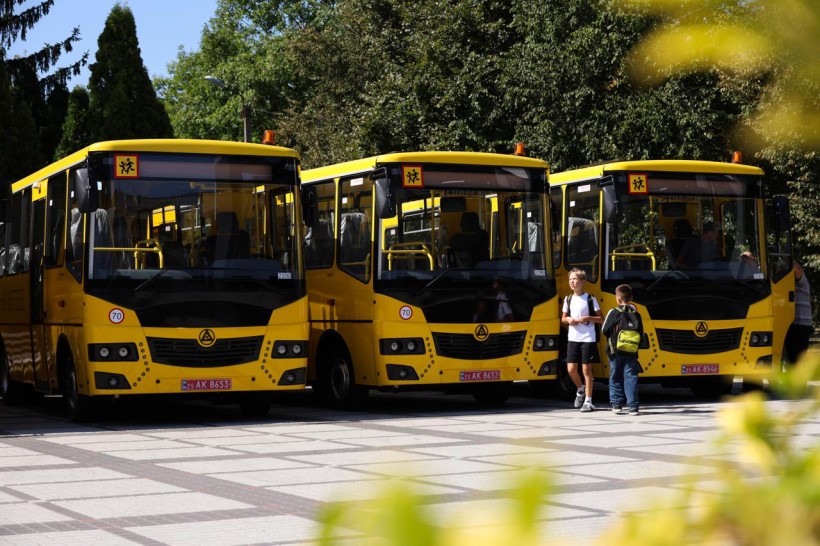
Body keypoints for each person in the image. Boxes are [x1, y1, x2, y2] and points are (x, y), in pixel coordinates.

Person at [561, 268, 602, 412]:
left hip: (588, 337)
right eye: (570, 279)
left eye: (575, 279)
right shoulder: (568, 299)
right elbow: (563, 318)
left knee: (586, 368)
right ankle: (580, 389)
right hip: (573, 337)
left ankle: (588, 401)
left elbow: (600, 318)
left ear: (583, 281)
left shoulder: (590, 298)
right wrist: (569, 320)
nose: (572, 282)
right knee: (571, 369)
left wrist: (588, 318)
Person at [602, 284, 644, 415]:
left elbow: (604, 330)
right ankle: (633, 406)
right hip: (632, 351)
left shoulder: (614, 312)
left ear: (618, 298)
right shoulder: (636, 314)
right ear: (631, 298)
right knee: (631, 376)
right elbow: (641, 333)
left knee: (615, 376)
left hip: (615, 350)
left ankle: (617, 405)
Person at [785, 261, 813, 364]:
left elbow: (797, 268)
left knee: (799, 358)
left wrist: (784, 261)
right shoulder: (785, 285)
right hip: (791, 324)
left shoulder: (802, 282)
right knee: (791, 358)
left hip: (802, 325)